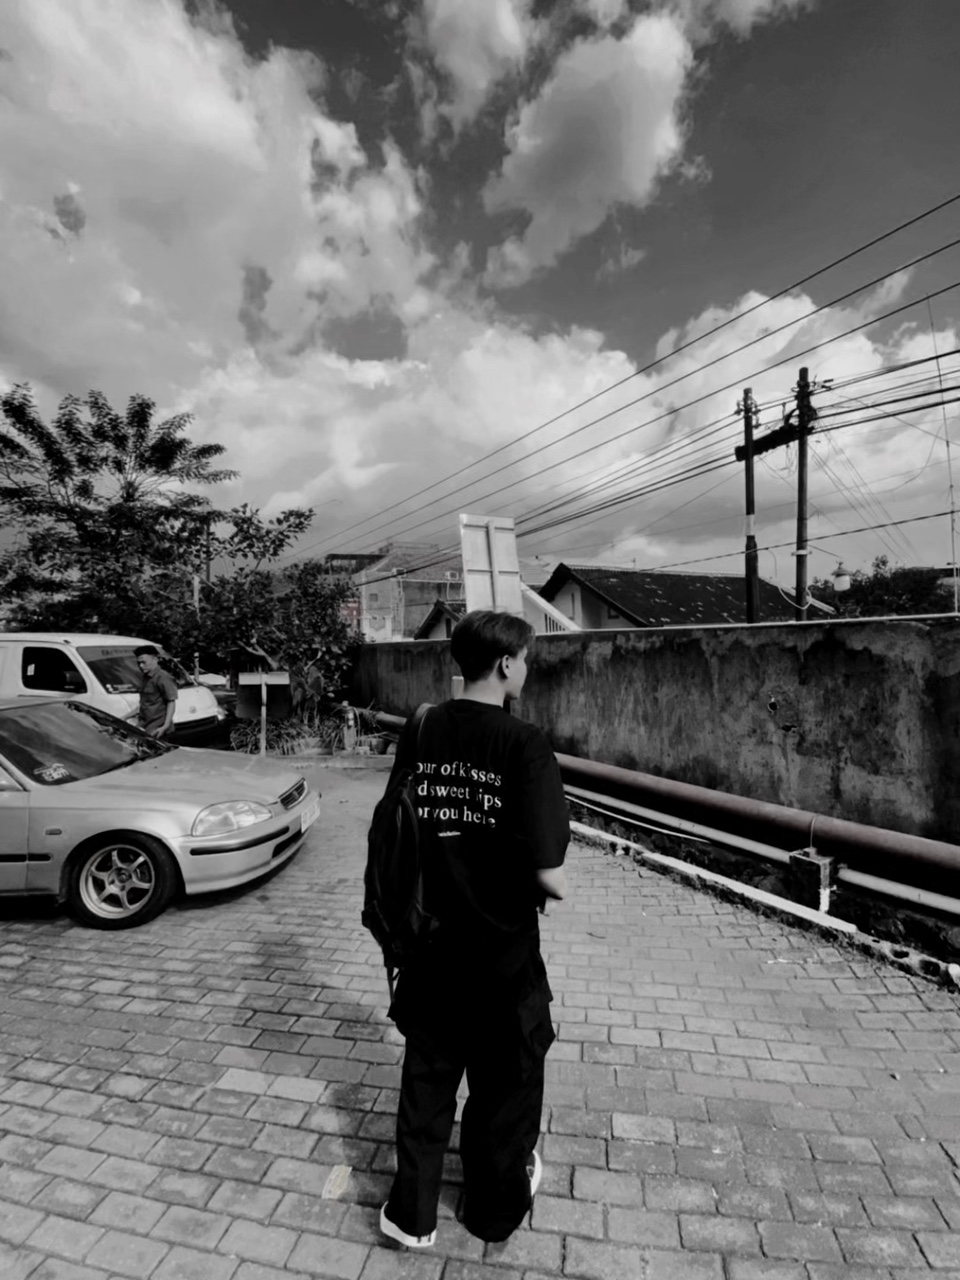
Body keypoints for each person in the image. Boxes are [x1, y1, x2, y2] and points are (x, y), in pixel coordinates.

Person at [378, 610, 569, 1249]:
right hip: (500, 952)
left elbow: (398, 824)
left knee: (427, 1080)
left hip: (427, 943)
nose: (527, 669)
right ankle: (491, 1212)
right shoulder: (524, 744)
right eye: (527, 659)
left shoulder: (423, 726)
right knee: (506, 1084)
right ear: (508, 664)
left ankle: (412, 1217)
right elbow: (550, 874)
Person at [134, 645, 178, 739]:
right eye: (139, 663)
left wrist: (165, 726)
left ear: (155, 659)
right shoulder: (146, 678)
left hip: (159, 731)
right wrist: (124, 717)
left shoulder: (163, 677)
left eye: (143, 662)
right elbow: (145, 704)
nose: (141, 666)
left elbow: (171, 702)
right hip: (146, 728)